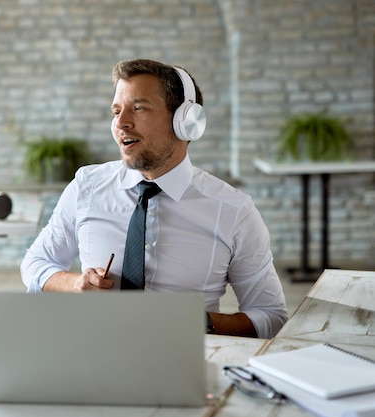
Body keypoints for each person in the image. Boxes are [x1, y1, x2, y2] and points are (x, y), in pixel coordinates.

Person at [20, 59, 287, 339]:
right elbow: (36, 264)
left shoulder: (234, 211)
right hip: (94, 353)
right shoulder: (86, 187)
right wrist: (76, 285)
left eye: (138, 108)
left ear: (185, 122)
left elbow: (271, 316)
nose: (121, 123)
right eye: (116, 111)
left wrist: (196, 321)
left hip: (182, 362)